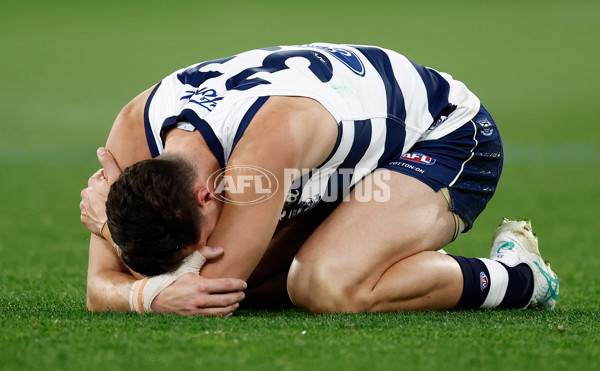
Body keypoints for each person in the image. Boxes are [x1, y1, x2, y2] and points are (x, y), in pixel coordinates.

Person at [80, 42, 558, 316]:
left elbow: (211, 286)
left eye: (201, 242)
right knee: (268, 290)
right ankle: (375, 239)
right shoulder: (131, 133)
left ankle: (520, 278)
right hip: (336, 163)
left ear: (206, 195)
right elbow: (98, 288)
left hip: (445, 135)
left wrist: (115, 247)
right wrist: (148, 288)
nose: (210, 248)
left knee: (324, 283)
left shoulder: (262, 151)